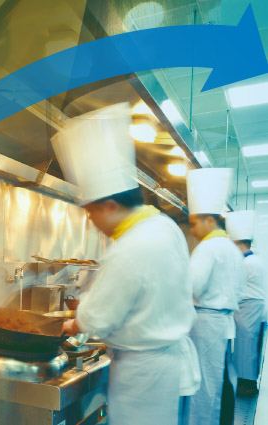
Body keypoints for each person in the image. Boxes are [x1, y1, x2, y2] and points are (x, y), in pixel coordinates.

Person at [52, 103, 200, 425]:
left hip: (141, 375)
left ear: (108, 205)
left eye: (91, 213)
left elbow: (97, 317)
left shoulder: (131, 247)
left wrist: (72, 325)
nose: (91, 222)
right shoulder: (164, 227)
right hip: (163, 365)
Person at [183, 168, 244, 425]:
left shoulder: (208, 248)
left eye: (194, 223)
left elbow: (191, 287)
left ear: (210, 221)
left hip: (205, 322)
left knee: (203, 385)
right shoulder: (230, 248)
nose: (193, 230)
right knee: (214, 379)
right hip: (220, 322)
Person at [227, 210, 266, 397]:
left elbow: (234, 286)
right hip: (251, 306)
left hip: (249, 306)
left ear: (239, 244)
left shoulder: (248, 262)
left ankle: (247, 385)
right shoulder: (253, 259)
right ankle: (247, 382)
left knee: (246, 347)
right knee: (247, 346)